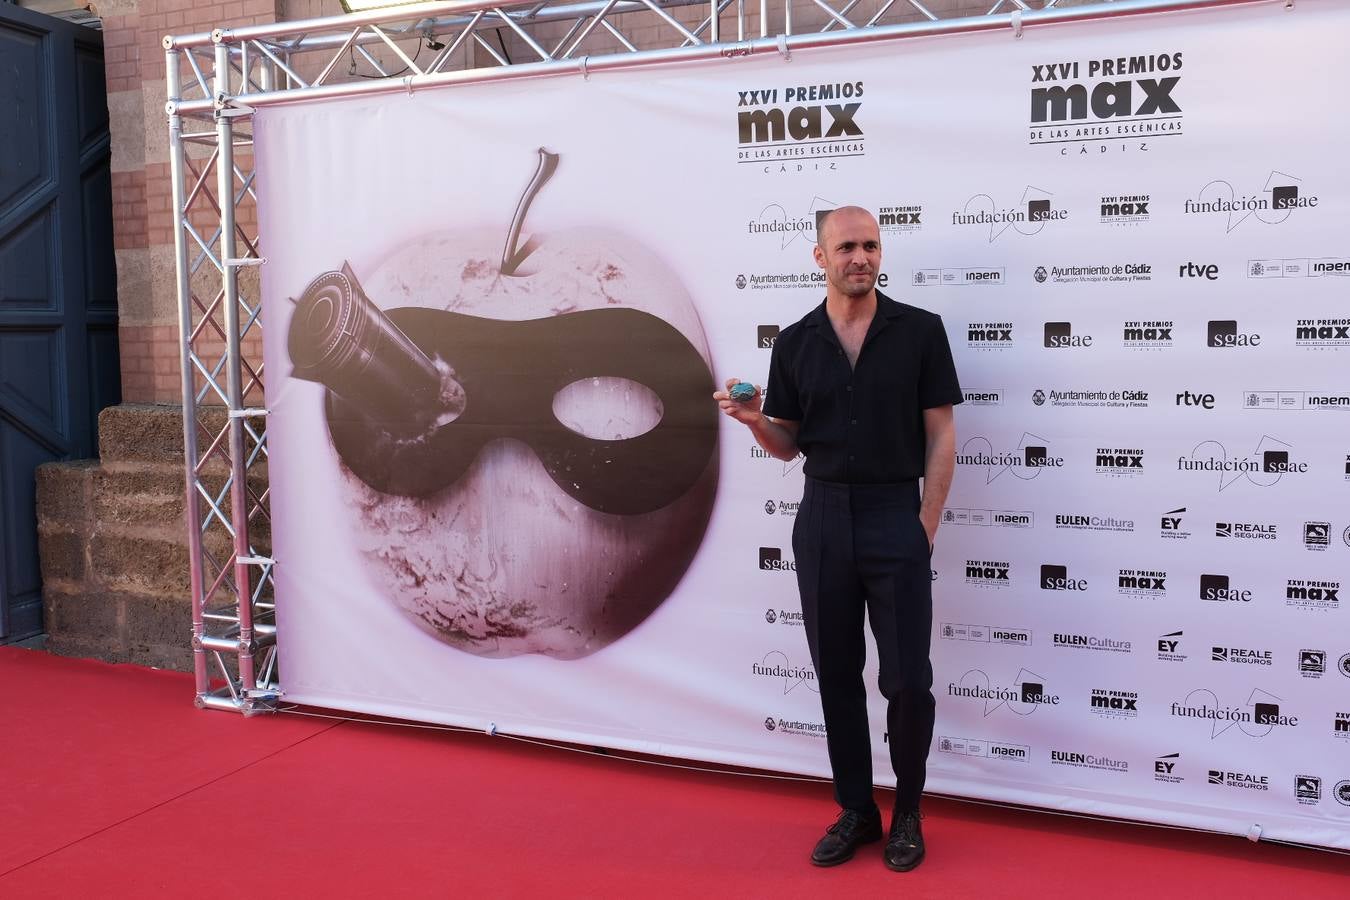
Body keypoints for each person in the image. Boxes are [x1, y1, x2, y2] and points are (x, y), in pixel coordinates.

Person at [714, 206, 960, 872]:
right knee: (837, 679)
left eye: (871, 245)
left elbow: (941, 436)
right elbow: (788, 447)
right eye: (846, 246)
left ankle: (908, 811)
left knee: (908, 680)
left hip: (894, 517)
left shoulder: (920, 332)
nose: (862, 257)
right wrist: (753, 420)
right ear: (819, 257)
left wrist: (924, 529)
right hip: (821, 520)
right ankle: (857, 810)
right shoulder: (795, 343)